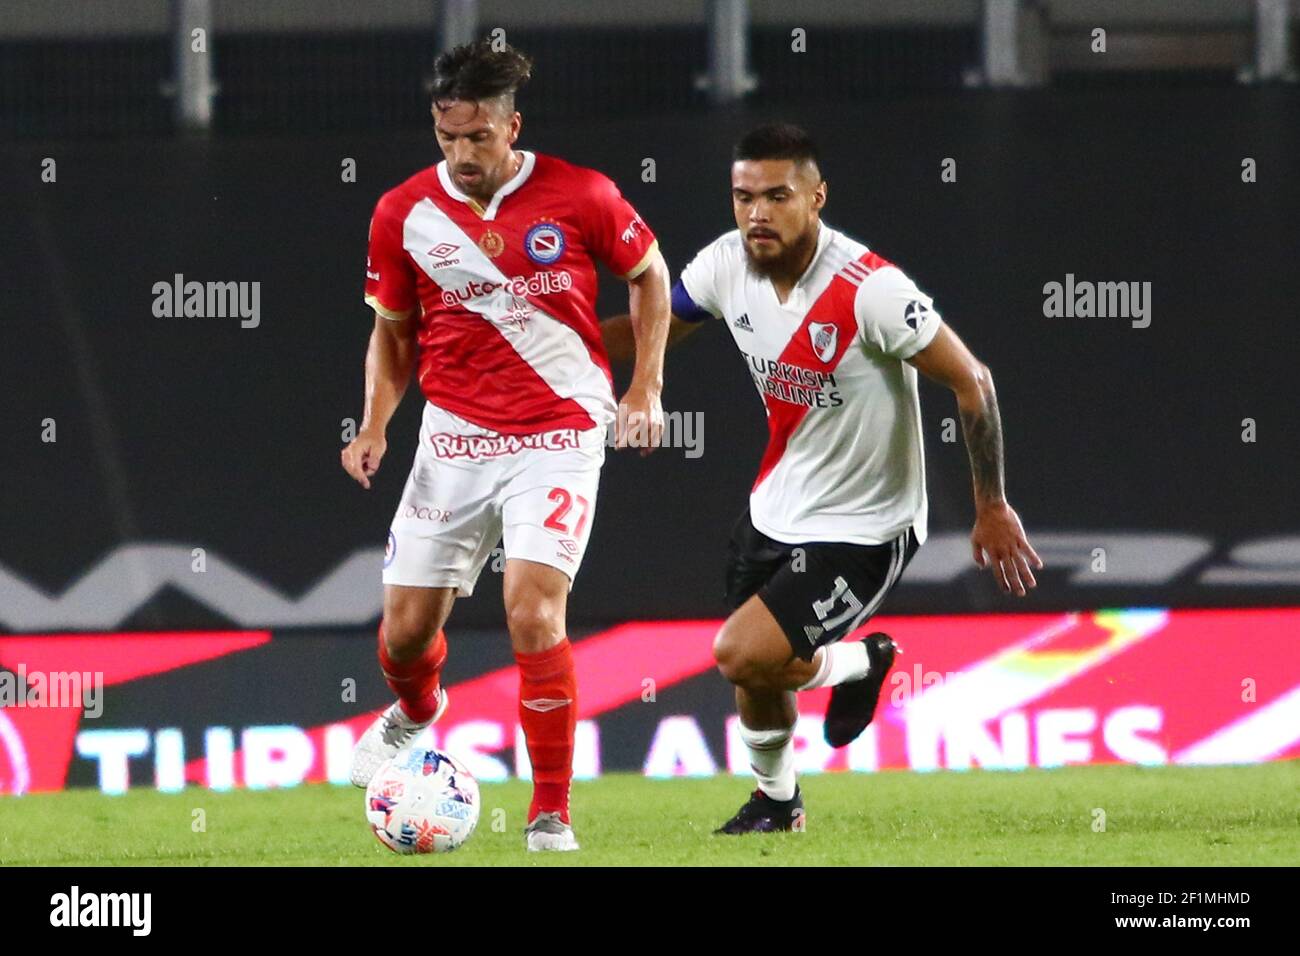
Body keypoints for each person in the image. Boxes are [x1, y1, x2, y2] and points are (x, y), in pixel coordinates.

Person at [602, 123, 1041, 834]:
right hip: (777, 506)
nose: (757, 214)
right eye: (744, 196)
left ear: (817, 197)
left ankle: (864, 662)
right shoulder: (723, 266)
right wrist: (550, 341)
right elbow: (654, 327)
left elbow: (974, 382)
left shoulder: (870, 289)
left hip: (870, 525)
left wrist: (990, 504)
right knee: (756, 672)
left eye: (777, 196)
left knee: (739, 652)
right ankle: (779, 803)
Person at [342, 40, 669, 852]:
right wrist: (376, 421)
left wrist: (645, 387)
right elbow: (391, 335)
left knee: (532, 610)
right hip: (452, 436)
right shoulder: (402, 213)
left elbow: (651, 275)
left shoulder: (581, 193)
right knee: (405, 637)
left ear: (510, 127)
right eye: (447, 138)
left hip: (560, 430)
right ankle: (418, 710)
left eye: (477, 138)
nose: (461, 155)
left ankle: (549, 813)